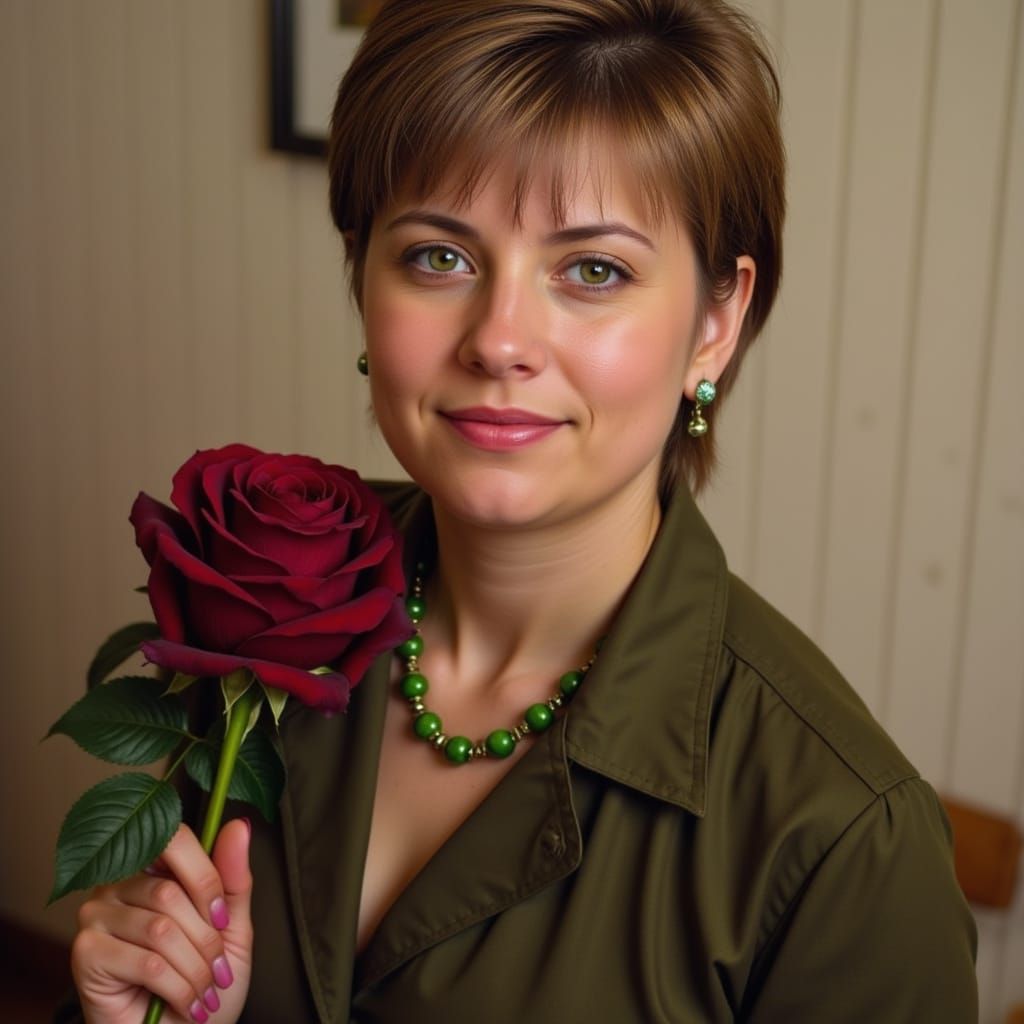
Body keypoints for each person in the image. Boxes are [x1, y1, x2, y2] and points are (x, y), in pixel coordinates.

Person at [63, 1, 978, 1021]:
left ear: (715, 323)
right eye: (437, 256)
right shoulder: (260, 595)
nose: (500, 339)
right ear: (362, 275)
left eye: (593, 270)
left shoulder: (845, 841)